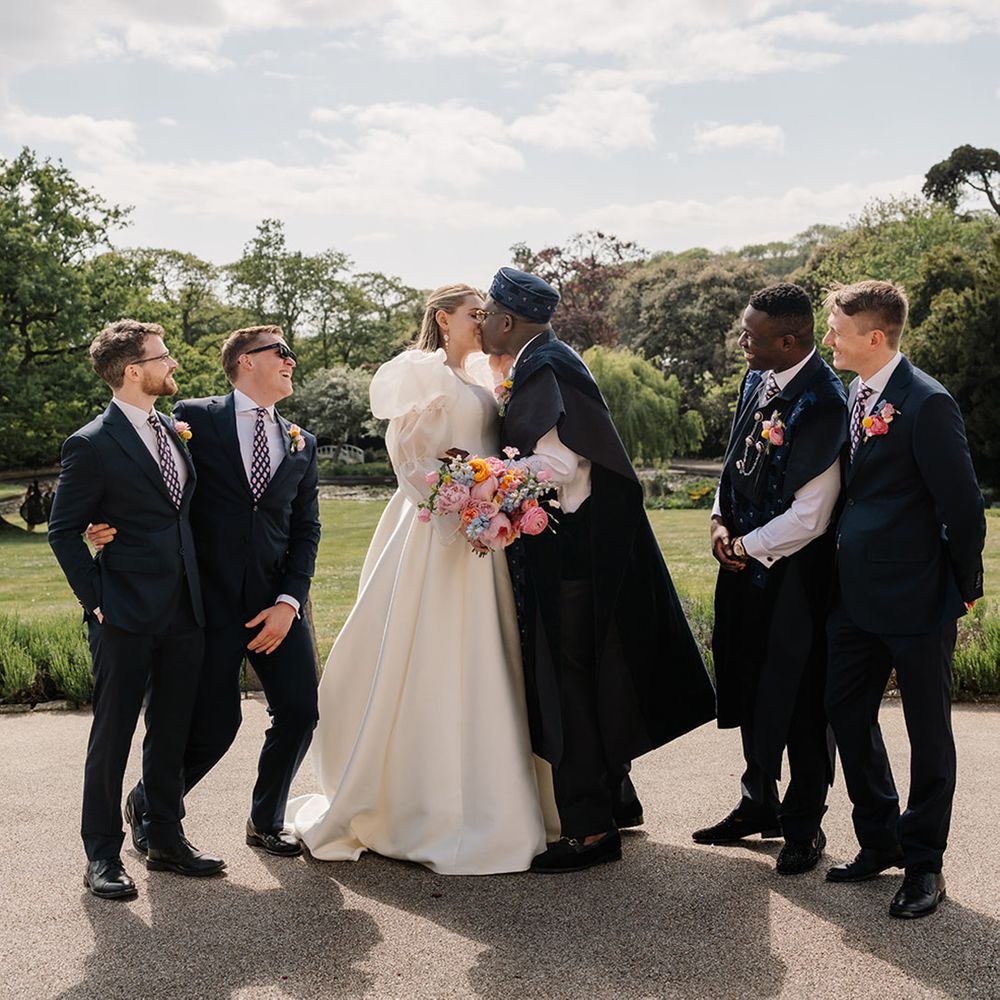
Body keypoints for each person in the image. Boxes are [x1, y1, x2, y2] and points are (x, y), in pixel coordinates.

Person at [287, 284, 558, 874]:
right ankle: (418, 804)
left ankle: (501, 800)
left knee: (489, 658)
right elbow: (407, 456)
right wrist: (461, 504)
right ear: (443, 318)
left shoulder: (487, 377)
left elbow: (490, 451)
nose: (486, 321)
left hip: (482, 535)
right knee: (431, 655)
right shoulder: (422, 371)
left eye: (488, 313)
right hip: (437, 533)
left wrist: (498, 499)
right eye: (475, 314)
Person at [478, 267, 717, 873]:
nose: (480, 323)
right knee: (594, 671)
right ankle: (615, 799)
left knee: (568, 686)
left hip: (572, 558)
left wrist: (483, 480)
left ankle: (589, 831)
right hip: (585, 551)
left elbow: (559, 465)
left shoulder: (547, 367)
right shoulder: (549, 360)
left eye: (486, 314)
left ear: (506, 320)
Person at [92, 325, 321, 859]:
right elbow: (141, 473)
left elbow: (306, 531)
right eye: (280, 351)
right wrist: (101, 521)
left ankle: (266, 819)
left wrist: (289, 603)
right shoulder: (190, 418)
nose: (292, 360)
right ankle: (150, 804)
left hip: (276, 608)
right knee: (214, 726)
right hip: (203, 606)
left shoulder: (301, 442)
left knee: (301, 711)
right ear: (245, 360)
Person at [821, 280, 985, 919]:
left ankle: (925, 866)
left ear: (875, 337)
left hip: (918, 599)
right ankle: (881, 838)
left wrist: (960, 586)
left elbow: (964, 508)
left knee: (928, 731)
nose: (829, 335)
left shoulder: (926, 403)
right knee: (843, 710)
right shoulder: (853, 392)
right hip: (854, 597)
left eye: (836, 326)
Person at [48, 319, 222, 900]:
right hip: (121, 613)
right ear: (133, 371)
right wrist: (95, 601)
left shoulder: (172, 429)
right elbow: (63, 531)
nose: (172, 364)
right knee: (114, 733)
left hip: (183, 607)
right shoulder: (91, 443)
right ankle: (101, 855)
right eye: (162, 356)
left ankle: (165, 837)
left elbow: (176, 514)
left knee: (170, 729)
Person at [696, 283, 846, 874]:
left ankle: (804, 824)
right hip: (743, 567)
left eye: (752, 336)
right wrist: (716, 521)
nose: (742, 342)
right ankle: (758, 802)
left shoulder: (825, 402)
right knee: (749, 684)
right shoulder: (754, 381)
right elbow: (732, 465)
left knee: (801, 699)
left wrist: (745, 546)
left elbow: (813, 514)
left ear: (789, 340)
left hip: (796, 578)